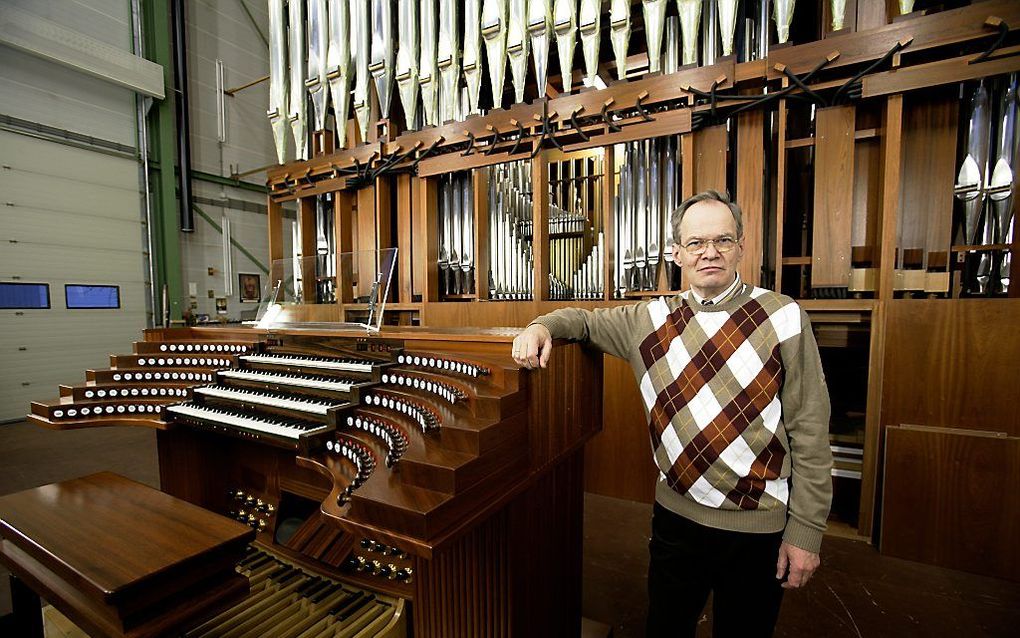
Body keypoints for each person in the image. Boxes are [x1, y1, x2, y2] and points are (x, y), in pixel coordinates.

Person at [512, 190, 832, 637]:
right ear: (677, 253)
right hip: (676, 522)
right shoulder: (649, 320)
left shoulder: (783, 316)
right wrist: (539, 326)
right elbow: (581, 320)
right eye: (696, 243)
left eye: (722, 240)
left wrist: (806, 531)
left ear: (741, 246)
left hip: (758, 528)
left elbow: (811, 430)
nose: (710, 253)